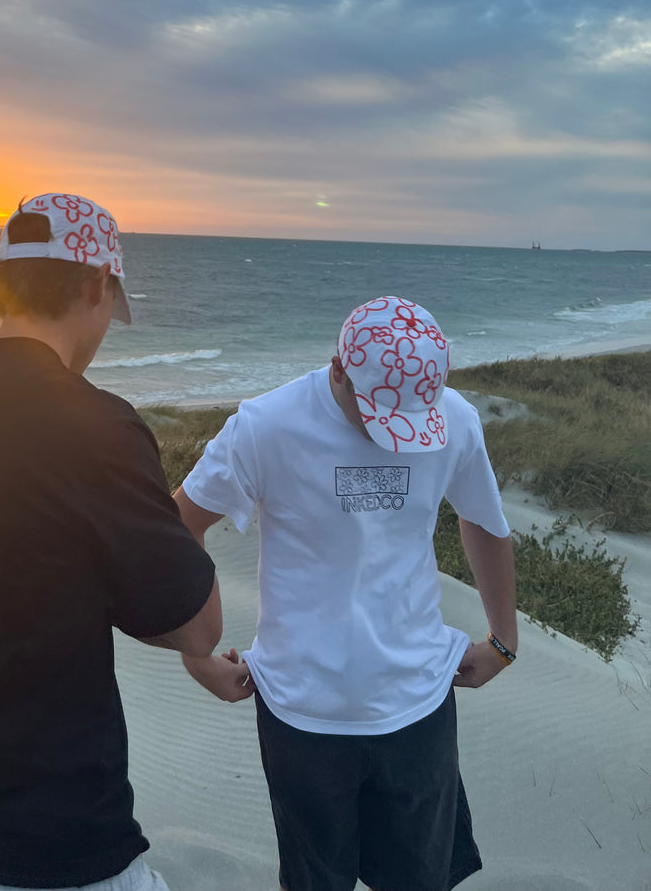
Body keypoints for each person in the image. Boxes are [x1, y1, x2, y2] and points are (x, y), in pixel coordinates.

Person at [0, 192, 221, 891]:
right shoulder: (98, 426)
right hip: (50, 848)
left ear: (4, 283)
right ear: (97, 285)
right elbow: (197, 627)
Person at [174, 295, 516, 891]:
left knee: (421, 880)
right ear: (338, 369)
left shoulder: (453, 418)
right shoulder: (266, 426)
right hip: (302, 711)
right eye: (381, 412)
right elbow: (180, 526)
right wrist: (195, 653)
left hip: (419, 701)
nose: (396, 434)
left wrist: (504, 640)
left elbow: (483, 519)